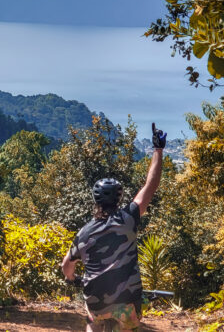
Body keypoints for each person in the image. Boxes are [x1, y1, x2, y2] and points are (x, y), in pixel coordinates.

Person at [61, 123, 167, 332]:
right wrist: (158, 150)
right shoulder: (128, 218)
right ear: (119, 198)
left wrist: (73, 279)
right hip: (127, 300)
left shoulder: (83, 233)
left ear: (95, 200)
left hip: (96, 301)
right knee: (127, 327)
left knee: (93, 323)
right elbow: (150, 185)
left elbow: (67, 265)